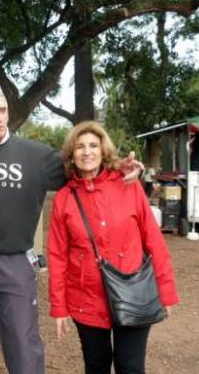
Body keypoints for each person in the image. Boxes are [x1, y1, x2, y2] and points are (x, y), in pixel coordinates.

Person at [0, 86, 144, 374]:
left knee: (23, 343)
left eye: (3, 110)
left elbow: (86, 169)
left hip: (16, 263)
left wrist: (120, 168)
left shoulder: (37, 156)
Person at [47, 121, 179, 374]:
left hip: (133, 293)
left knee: (129, 367)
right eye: (80, 146)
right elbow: (57, 256)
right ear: (71, 154)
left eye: (93, 145)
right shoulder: (64, 198)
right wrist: (59, 306)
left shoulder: (128, 185)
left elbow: (154, 240)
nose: (87, 152)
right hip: (86, 299)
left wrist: (166, 290)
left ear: (103, 150)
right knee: (96, 366)